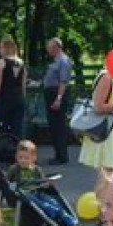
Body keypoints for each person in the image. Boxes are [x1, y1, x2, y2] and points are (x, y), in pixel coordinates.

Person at [5, 140, 77, 226]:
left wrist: (47, 184)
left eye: (26, 158)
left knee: (52, 200)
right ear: (16, 157)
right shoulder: (14, 169)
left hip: (37, 191)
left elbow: (42, 183)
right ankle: (50, 209)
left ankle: (67, 218)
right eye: (20, 157)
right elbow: (7, 182)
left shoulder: (37, 169)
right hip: (22, 194)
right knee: (36, 200)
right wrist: (12, 188)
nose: (23, 160)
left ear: (33, 158)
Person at [0, 36, 27, 138]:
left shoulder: (1, 62)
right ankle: (16, 152)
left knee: (2, 131)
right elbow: (23, 87)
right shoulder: (22, 63)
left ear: (7, 48)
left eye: (1, 47)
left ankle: (4, 152)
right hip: (18, 100)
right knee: (17, 131)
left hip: (4, 101)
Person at [43, 37, 73, 165]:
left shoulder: (64, 61)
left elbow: (63, 82)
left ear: (57, 47)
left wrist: (58, 99)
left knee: (58, 126)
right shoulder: (55, 61)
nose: (48, 50)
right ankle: (58, 154)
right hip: (51, 94)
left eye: (49, 48)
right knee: (54, 126)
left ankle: (62, 156)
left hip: (57, 95)